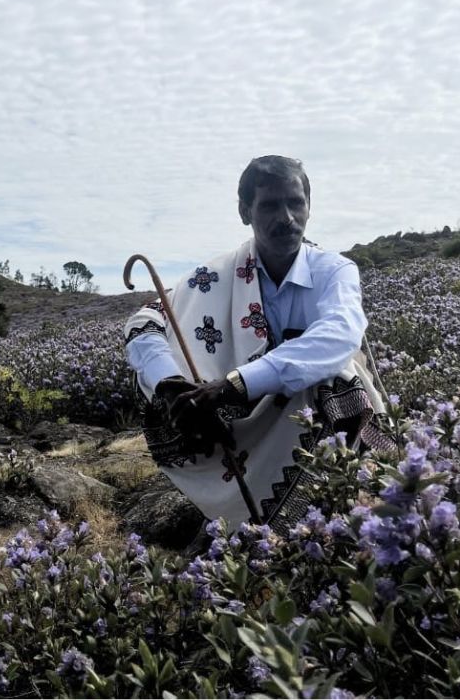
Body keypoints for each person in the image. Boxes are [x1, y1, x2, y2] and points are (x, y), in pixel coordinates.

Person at [124, 155, 392, 534]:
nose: (286, 218)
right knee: (173, 406)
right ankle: (263, 534)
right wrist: (170, 386)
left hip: (298, 412)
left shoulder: (333, 270)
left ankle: (345, 516)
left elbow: (339, 333)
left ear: (309, 208)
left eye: (295, 203)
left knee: (339, 378)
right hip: (233, 423)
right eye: (269, 205)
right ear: (244, 211)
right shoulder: (214, 277)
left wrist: (234, 385)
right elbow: (145, 323)